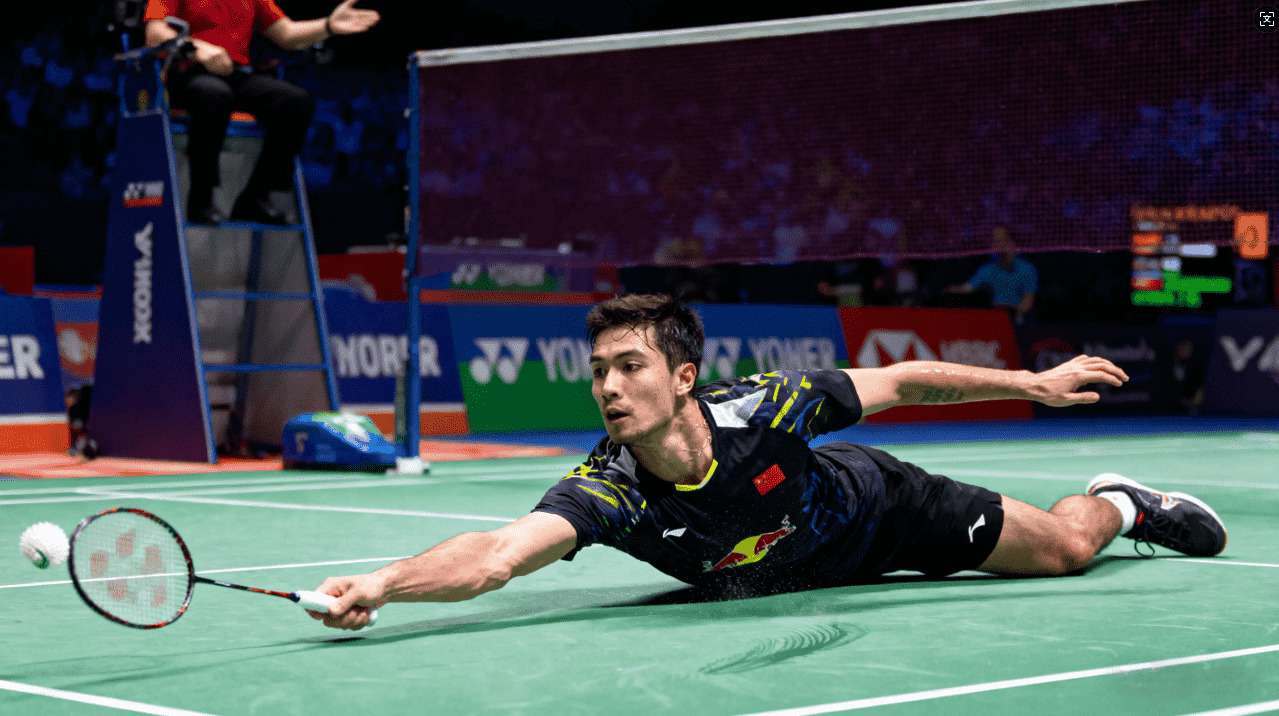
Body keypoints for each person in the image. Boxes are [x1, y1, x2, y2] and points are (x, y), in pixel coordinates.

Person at [310, 294, 1227, 631]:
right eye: (597, 372)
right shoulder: (610, 489)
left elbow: (901, 381)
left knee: (1067, 550)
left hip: (881, 510)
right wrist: (384, 584)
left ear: (682, 377)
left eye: (629, 367)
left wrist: (1030, 381)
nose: (608, 388)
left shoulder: (766, 406)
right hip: (794, 571)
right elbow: (498, 555)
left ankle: (1123, 503)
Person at [143, 0, 379, 224]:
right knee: (214, 95)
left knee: (294, 101)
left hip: (232, 73)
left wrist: (328, 26)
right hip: (187, 72)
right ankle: (201, 199)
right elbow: (155, 33)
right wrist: (194, 48)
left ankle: (255, 198)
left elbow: (287, 34)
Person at [947, 227, 1038, 323]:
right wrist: (949, 290)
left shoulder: (1027, 269)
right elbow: (967, 288)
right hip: (996, 317)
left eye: (1004, 240)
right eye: (996, 241)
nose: (1000, 245)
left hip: (1019, 318)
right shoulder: (987, 269)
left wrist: (1015, 314)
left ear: (1013, 243)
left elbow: (1028, 302)